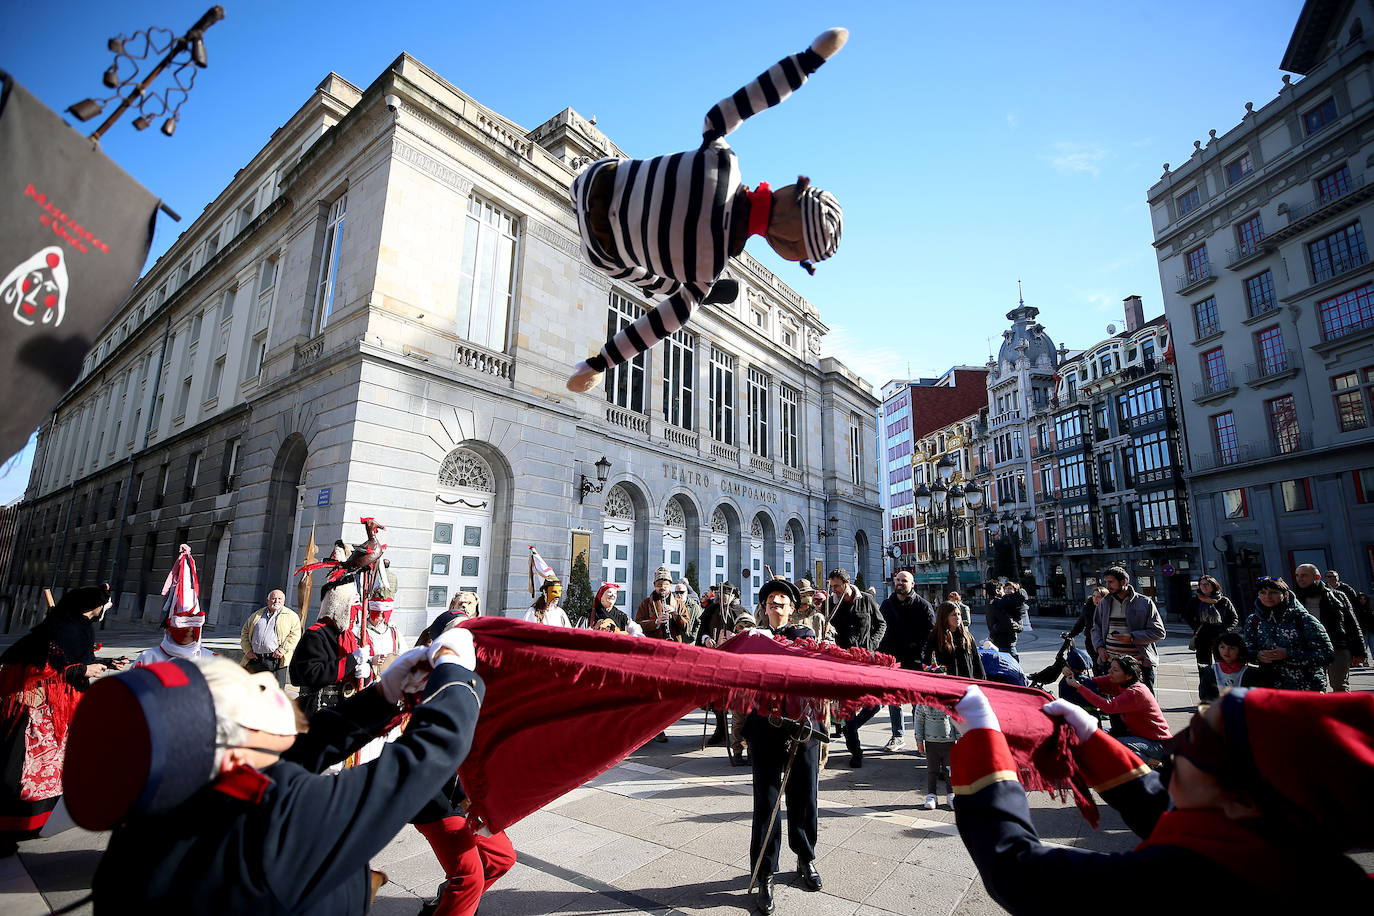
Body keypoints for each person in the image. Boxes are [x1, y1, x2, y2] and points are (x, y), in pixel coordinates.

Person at [81, 630, 484, 914]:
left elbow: (299, 752)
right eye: (250, 690)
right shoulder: (281, 817)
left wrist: (383, 696)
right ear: (229, 736)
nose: (266, 686)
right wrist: (454, 674)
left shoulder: (184, 797)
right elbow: (427, 755)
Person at [565, 29, 846, 393]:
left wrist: (808, 61)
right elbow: (656, 326)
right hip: (601, 249)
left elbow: (748, 100)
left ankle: (670, 279)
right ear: (789, 253)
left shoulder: (722, 160)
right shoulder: (706, 272)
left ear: (794, 188)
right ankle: (674, 286)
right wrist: (599, 363)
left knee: (675, 283)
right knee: (665, 288)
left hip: (597, 177)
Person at [949, 683, 1374, 912]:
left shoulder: (1185, 883)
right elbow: (1169, 809)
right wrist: (1093, 739)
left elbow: (1020, 872)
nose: (1175, 750)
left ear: (1243, 800)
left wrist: (985, 747)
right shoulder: (1287, 846)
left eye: (1196, 746)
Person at [412, 611, 516, 916]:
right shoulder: (423, 681)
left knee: (501, 859)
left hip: (468, 797)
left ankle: (444, 906)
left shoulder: (476, 679)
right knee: (468, 877)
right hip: (434, 797)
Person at [0, 585, 113, 854]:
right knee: (25, 768)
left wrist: (103, 662)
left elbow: (73, 659)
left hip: (53, 708)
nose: (104, 610)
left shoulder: (72, 623)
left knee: (49, 767)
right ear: (92, 606)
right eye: (103, 605)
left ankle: (34, 824)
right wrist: (86, 669)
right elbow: (54, 665)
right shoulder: (67, 626)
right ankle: (10, 827)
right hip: (39, 708)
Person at [741, 579, 822, 913]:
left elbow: (813, 668)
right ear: (764, 609)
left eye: (782, 600)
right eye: (770, 601)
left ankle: (805, 858)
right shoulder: (752, 639)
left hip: (802, 727)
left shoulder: (804, 636)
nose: (776, 604)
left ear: (793, 607)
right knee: (767, 802)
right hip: (764, 727)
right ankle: (765, 872)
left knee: (805, 798)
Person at [917, 602, 985, 809]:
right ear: (944, 617)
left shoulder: (967, 636)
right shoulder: (935, 637)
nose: (957, 618)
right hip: (947, 693)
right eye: (953, 615)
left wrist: (982, 686)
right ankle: (948, 780)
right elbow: (926, 663)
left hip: (967, 692)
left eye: (959, 614)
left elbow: (977, 664)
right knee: (951, 738)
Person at [825, 568, 887, 767]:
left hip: (867, 660)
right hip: (844, 664)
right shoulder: (830, 605)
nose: (833, 590)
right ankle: (856, 750)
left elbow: (881, 624)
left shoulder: (867, 599)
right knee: (848, 708)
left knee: (875, 704)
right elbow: (826, 631)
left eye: (836, 586)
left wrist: (873, 645)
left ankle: (851, 728)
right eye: (832, 586)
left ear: (846, 583)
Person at [1061, 655, 1171, 762]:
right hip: (1136, 736)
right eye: (1111, 668)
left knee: (1116, 745)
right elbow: (1091, 683)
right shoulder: (1119, 682)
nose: (1110, 672)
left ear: (1129, 675)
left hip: (1157, 743)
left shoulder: (1136, 692)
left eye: (1115, 670)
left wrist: (1079, 688)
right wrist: (1070, 670)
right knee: (1095, 733)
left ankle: (1152, 762)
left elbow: (1108, 706)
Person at [1241, 576, 1334, 692]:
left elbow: (1327, 654)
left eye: (1273, 592)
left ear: (1285, 594)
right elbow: (1245, 651)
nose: (1267, 597)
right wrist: (1258, 655)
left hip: (1306, 688)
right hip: (1270, 689)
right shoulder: (1254, 620)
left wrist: (1288, 654)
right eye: (1263, 592)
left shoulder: (1304, 620)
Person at [878, 571, 935, 752]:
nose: (900, 583)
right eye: (898, 580)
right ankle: (897, 736)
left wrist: (923, 656)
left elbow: (931, 635)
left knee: (917, 703)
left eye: (904, 581)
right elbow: (879, 629)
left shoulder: (923, 606)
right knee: (894, 701)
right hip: (893, 660)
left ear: (912, 584)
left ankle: (921, 741)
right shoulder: (887, 604)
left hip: (915, 661)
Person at [290, 580, 364, 715]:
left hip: (345, 709)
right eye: (352, 609)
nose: (355, 616)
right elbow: (313, 674)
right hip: (319, 711)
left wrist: (365, 672)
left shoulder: (350, 637)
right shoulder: (315, 635)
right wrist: (351, 660)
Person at [1090, 566, 1165, 692]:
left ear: (1123, 582)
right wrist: (1099, 647)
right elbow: (1096, 628)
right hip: (1112, 664)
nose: (1107, 586)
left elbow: (1159, 632)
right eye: (1106, 582)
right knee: (1115, 704)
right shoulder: (1104, 603)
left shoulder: (1144, 603)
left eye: (1111, 582)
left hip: (1138, 666)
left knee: (1143, 703)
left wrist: (1132, 637)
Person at [1292, 564, 1364, 691]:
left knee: (1340, 686)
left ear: (1317, 577)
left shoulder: (1337, 596)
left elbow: (1352, 623)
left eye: (1304, 575)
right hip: (1308, 649)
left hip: (1337, 648)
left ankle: (1345, 711)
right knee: (1315, 689)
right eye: (1297, 575)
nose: (1300, 579)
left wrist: (1359, 651)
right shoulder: (1293, 599)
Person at [240, 589, 302, 688]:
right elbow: (245, 632)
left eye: (279, 599)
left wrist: (282, 650)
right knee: (253, 690)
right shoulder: (257, 615)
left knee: (275, 692)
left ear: (284, 601)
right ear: (267, 600)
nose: (277, 601)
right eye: (273, 599)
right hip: (255, 659)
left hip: (276, 660)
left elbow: (295, 635)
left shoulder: (291, 616)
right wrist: (247, 650)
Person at [1198, 632, 1261, 703]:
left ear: (1240, 650)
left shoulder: (1249, 673)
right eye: (1222, 647)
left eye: (1232, 648)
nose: (1226, 651)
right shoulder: (1211, 671)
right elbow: (1205, 694)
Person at [636, 567, 690, 641]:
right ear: (654, 585)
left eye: (666, 585)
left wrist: (675, 614)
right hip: (653, 645)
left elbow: (687, 627)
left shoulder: (679, 603)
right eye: (659, 585)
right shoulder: (646, 603)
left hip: (674, 645)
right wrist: (655, 622)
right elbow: (638, 625)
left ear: (670, 585)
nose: (662, 587)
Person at [1064, 585, 1105, 664]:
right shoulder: (1088, 608)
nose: (1095, 599)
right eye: (1094, 596)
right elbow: (1080, 623)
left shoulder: (1108, 609)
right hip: (1091, 641)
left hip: (1105, 641)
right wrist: (1071, 634)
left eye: (1098, 596)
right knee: (1095, 664)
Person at [986, 581, 1026, 660]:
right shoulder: (999, 603)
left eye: (1010, 588)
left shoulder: (995, 603)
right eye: (1005, 589)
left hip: (1003, 641)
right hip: (1005, 641)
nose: (1007, 591)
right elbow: (1007, 623)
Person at [674, 578, 704, 643]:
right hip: (674, 642)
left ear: (687, 593)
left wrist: (692, 636)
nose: (679, 595)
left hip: (688, 643)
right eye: (677, 593)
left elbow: (700, 622)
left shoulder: (694, 606)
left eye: (682, 592)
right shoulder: (671, 605)